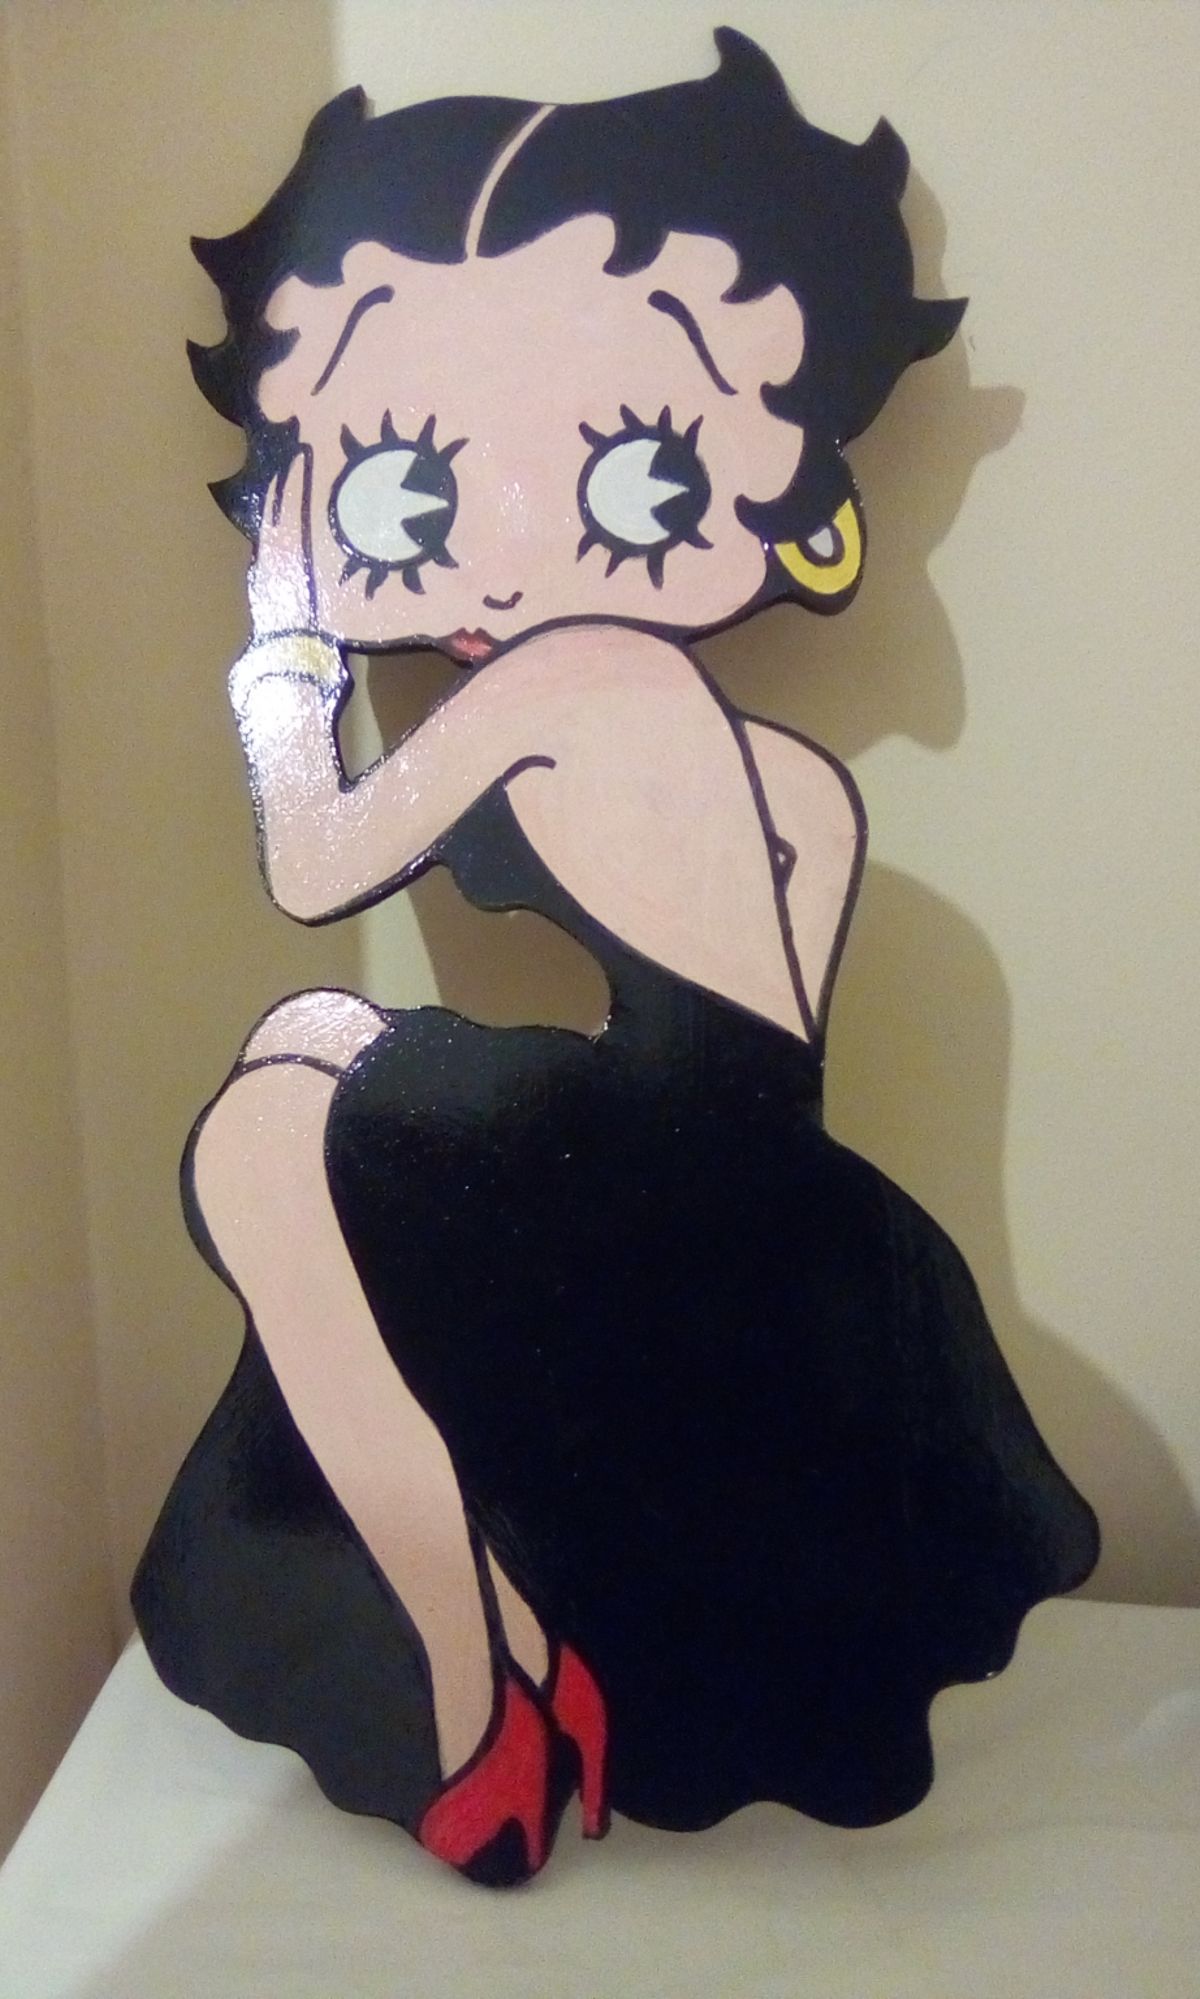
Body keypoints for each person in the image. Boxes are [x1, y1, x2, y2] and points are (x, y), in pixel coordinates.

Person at [133, 30, 1099, 1888]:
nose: (496, 561)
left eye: (642, 477)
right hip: (767, 1198)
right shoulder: (781, 775)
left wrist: (288, 657)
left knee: (262, 1131)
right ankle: (515, 1656)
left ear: (780, 482)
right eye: (410, 495)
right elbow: (764, 1042)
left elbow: (315, 854)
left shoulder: (583, 673)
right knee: (302, 1047)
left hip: (651, 1184)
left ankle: (475, 1675)